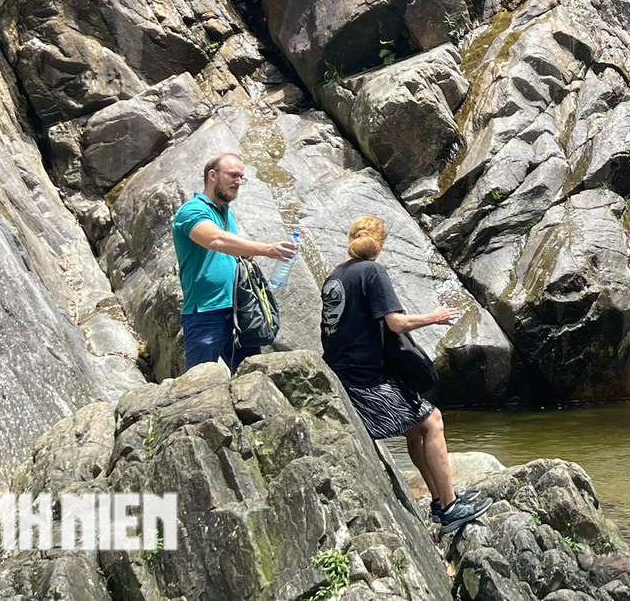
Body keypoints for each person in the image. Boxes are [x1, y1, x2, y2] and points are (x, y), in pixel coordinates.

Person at [322, 215, 490, 534]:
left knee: (416, 431)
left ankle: (443, 499)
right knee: (433, 421)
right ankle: (451, 508)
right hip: (365, 378)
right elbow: (395, 323)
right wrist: (435, 317)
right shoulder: (373, 271)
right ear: (380, 243)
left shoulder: (336, 275)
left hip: (344, 371)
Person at [170, 152, 299, 372]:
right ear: (213, 175)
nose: (238, 182)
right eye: (233, 175)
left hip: (239, 309)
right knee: (198, 384)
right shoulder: (192, 210)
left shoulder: (226, 214)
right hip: (206, 312)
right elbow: (214, 239)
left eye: (241, 177)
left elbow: (227, 247)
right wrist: (266, 249)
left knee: (250, 375)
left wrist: (243, 253)